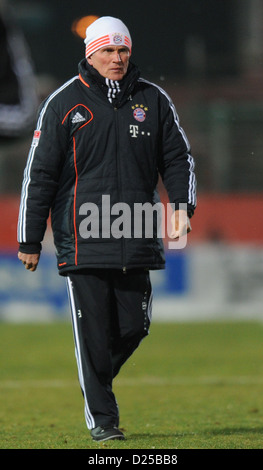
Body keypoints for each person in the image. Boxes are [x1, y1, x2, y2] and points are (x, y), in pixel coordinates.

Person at [17, 16, 196, 442]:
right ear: (90, 54)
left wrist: (182, 205)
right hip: (81, 240)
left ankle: (92, 374)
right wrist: (28, 238)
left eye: (123, 51)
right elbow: (38, 175)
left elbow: (178, 158)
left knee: (135, 326)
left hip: (137, 233)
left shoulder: (153, 100)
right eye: (108, 51)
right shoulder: (62, 104)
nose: (116, 58)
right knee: (94, 332)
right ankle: (103, 421)